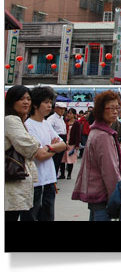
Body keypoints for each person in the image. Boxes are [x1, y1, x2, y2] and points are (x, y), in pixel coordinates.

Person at [71, 91, 121, 221]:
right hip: (102, 194)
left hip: (96, 193)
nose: (115, 111)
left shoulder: (96, 131)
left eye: (117, 107)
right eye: (111, 108)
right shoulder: (103, 136)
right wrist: (117, 197)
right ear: (101, 110)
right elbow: (110, 171)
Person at [5, 86, 56, 222]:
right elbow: (32, 148)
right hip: (11, 181)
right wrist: (50, 147)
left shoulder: (21, 121)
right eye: (21, 99)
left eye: (28, 98)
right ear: (11, 101)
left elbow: (63, 144)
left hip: (20, 181)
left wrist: (46, 148)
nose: (26, 102)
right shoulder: (11, 120)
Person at [23, 86, 66, 221]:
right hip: (34, 183)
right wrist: (54, 148)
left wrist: (48, 147)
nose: (49, 106)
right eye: (46, 102)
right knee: (32, 217)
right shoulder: (28, 126)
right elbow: (39, 155)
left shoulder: (46, 124)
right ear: (35, 104)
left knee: (48, 217)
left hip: (49, 179)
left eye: (50, 102)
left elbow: (63, 145)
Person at [46, 101, 68, 178]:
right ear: (55, 109)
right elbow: (48, 129)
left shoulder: (62, 119)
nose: (62, 111)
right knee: (55, 160)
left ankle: (54, 178)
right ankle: (52, 179)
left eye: (63, 109)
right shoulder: (51, 119)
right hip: (57, 139)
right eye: (60, 109)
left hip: (63, 139)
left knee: (59, 161)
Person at [60, 108, 82, 180]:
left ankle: (69, 174)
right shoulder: (65, 121)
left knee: (70, 159)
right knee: (62, 159)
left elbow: (78, 134)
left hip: (72, 143)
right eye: (68, 113)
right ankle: (62, 174)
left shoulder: (76, 123)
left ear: (74, 114)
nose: (68, 115)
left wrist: (77, 145)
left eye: (70, 113)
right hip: (63, 142)